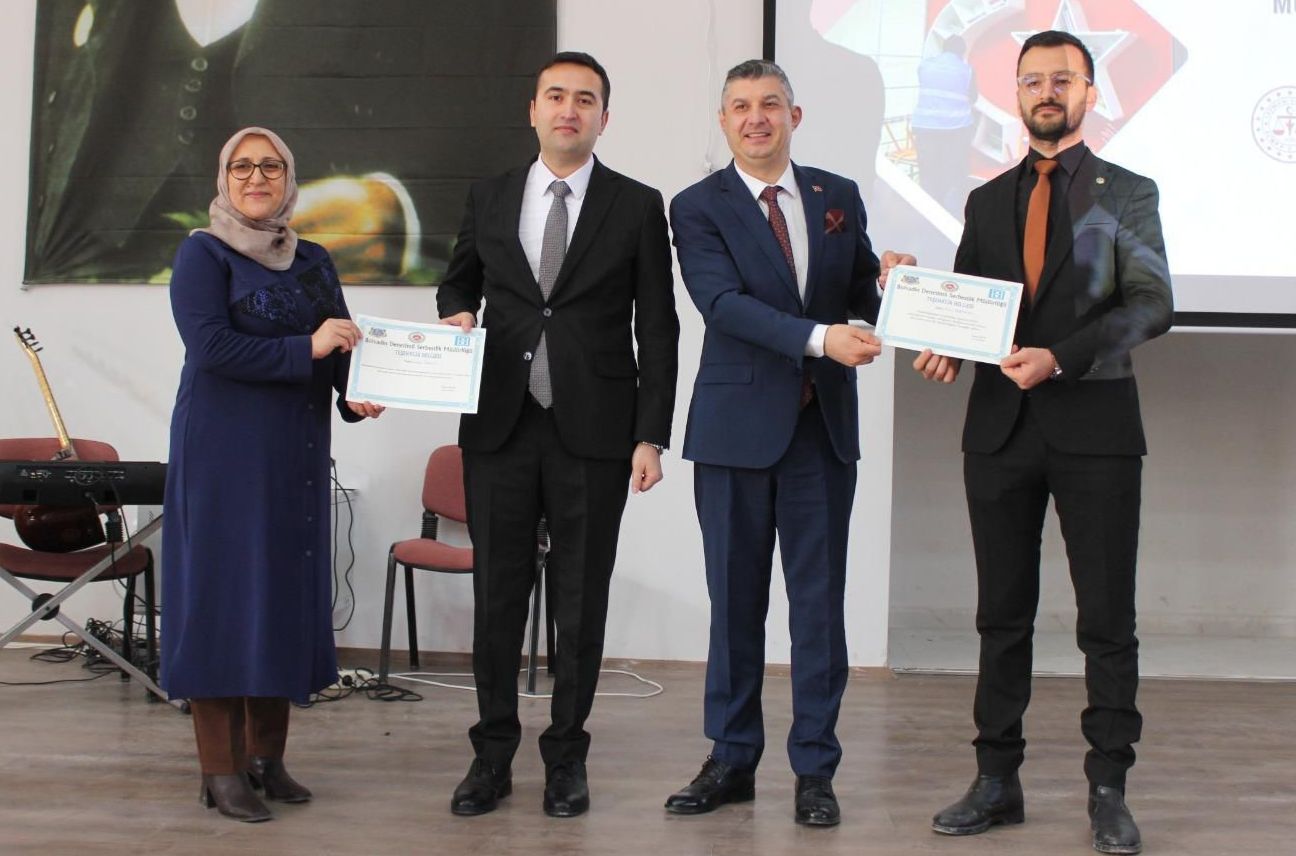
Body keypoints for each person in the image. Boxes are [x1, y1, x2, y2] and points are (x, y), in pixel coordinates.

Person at [918, 30, 1172, 855]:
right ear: (1015, 93)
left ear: (1090, 93)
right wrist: (943, 342)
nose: (1047, 91)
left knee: (1107, 619)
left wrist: (1059, 357)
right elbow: (968, 304)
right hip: (999, 432)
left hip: (1096, 428)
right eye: (1032, 80)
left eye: (1063, 79)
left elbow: (1151, 305)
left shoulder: (1126, 193)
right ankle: (997, 780)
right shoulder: (987, 200)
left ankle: (1109, 787)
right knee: (1001, 615)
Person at [663, 59, 912, 827]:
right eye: (740, 106)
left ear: (794, 117)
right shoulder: (696, 206)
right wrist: (820, 339)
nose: (756, 117)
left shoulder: (838, 195)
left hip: (820, 432)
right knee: (735, 604)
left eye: (770, 104)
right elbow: (722, 304)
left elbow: (860, 293)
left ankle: (815, 770)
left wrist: (893, 283)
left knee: (818, 609)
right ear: (723, 120)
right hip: (734, 432)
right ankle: (732, 759)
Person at [436, 51, 678, 819]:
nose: (569, 109)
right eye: (556, 96)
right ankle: (491, 757)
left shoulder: (637, 205)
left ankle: (567, 758)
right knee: (497, 598)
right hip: (500, 425)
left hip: (597, 432)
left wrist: (650, 434)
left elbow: (658, 327)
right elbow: (459, 278)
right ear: (533, 109)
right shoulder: (490, 194)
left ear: (604, 116)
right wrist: (456, 311)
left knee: (580, 603)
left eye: (585, 99)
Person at [161, 126, 384, 822]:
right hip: (222, 456)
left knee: (283, 595)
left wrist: (359, 389)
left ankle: (267, 759)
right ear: (224, 178)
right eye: (242, 166)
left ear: (289, 179)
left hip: (294, 456)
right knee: (224, 600)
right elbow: (211, 347)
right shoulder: (203, 253)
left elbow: (339, 347)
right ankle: (220, 770)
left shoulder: (313, 259)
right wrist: (308, 348)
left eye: (271, 166)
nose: (256, 177)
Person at [910, 34, 978, 217]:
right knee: (952, 169)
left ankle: (927, 213)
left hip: (925, 127)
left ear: (944, 48)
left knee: (928, 170)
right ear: (961, 52)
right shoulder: (966, 70)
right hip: (956, 129)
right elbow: (973, 97)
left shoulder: (924, 66)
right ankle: (949, 214)